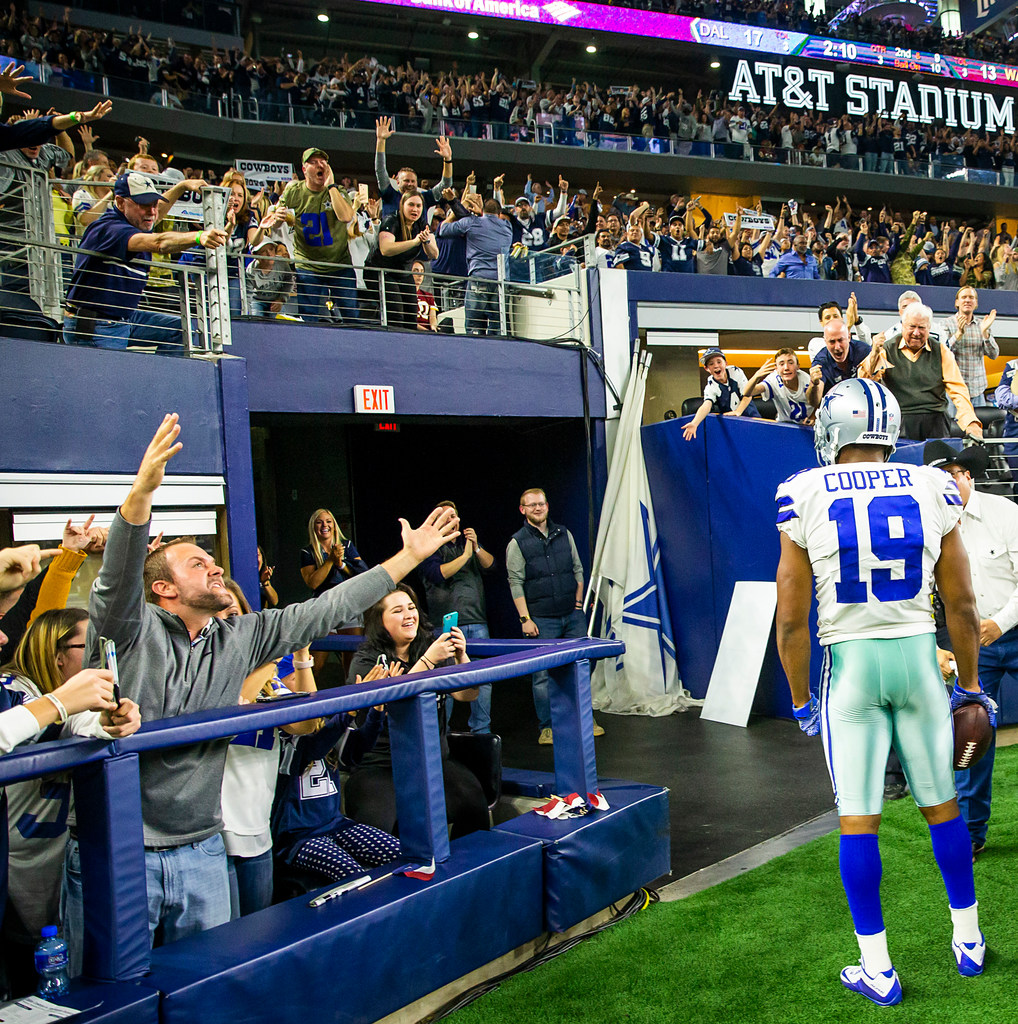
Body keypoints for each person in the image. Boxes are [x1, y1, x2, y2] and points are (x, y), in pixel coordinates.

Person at [62, 414, 461, 953]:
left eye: (213, 561)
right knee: (107, 992)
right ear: (162, 588)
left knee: (210, 986)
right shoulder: (131, 629)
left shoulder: (240, 637)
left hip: (200, 845)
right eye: (197, 563)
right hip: (116, 846)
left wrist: (409, 557)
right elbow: (114, 581)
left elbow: (330, 606)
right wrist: (141, 494)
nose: (215, 569)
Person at [775, 378, 991, 1006]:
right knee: (942, 805)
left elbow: (790, 619)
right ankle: (969, 940)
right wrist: (971, 686)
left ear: (832, 429)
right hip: (921, 659)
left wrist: (798, 700)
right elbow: (963, 600)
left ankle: (879, 968)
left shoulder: (803, 489)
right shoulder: (932, 484)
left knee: (859, 821)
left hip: (851, 665)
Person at [0, 609, 140, 990]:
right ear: (57, 653)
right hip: (17, 858)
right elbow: (26, 722)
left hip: (49, 856)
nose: (96, 664)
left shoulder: (70, 702)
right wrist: (60, 704)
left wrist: (111, 722)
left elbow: (81, 723)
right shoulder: (15, 689)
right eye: (86, 649)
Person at [923, 440, 1018, 860]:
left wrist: (1000, 622)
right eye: (941, 475)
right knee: (971, 736)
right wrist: (934, 647)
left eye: (956, 474)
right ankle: (971, 835)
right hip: (971, 647)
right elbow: (919, 595)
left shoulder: (1006, 513)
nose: (950, 481)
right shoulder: (929, 524)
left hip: (1007, 627)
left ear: (969, 477)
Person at [343, 585, 489, 837]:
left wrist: (461, 657)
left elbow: (467, 694)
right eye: (398, 611)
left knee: (474, 806)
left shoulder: (430, 647)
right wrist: (428, 662)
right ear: (380, 621)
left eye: (411, 608)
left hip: (431, 760)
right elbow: (393, 707)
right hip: (380, 765)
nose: (409, 615)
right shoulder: (367, 660)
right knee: (374, 826)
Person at [217, 582, 317, 918]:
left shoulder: (270, 680)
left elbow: (305, 725)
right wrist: (272, 662)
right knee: (222, 939)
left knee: (257, 928)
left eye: (234, 614)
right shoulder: (206, 674)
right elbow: (235, 706)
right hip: (214, 835)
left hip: (257, 826)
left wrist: (301, 659)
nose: (229, 623)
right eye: (219, 615)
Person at [62, 172, 228, 348]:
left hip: (123, 317)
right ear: (120, 202)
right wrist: (199, 236)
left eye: (154, 204)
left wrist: (182, 187)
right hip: (96, 325)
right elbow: (159, 243)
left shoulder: (134, 221)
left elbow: (154, 216)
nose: (152, 212)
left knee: (181, 329)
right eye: (144, 205)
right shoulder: (109, 229)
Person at [272, 659, 401, 884]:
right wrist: (349, 708)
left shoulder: (326, 721)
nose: (305, 682)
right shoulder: (279, 736)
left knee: (401, 854)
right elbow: (314, 748)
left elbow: (357, 748)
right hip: (298, 838)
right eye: (294, 677)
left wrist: (377, 708)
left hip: (335, 825)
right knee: (356, 877)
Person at [506, 489, 603, 744]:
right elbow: (515, 582)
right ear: (522, 509)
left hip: (571, 616)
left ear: (547, 505)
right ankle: (547, 727)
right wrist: (525, 619)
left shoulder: (564, 533)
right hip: (541, 619)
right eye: (531, 505)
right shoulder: (517, 543)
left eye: (541, 504)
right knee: (542, 676)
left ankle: (584, 719)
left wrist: (579, 603)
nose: (537, 508)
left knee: (580, 668)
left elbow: (578, 569)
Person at [421, 500, 496, 734]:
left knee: (482, 680)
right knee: (447, 682)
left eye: (453, 516)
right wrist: (465, 556)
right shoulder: (429, 548)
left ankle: (482, 731)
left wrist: (475, 548)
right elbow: (437, 574)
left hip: (477, 621)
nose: (451, 520)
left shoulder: (467, 544)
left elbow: (491, 566)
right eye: (445, 517)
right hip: (446, 625)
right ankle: (441, 733)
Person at [863, 302, 983, 442]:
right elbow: (867, 381)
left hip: (936, 421)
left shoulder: (941, 350)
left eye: (921, 327)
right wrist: (873, 354)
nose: (916, 332)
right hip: (900, 420)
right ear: (902, 326)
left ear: (929, 328)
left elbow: (958, 390)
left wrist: (971, 423)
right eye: (912, 326)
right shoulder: (886, 349)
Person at [263, 148, 358, 323]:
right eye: (314, 162)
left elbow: (346, 217)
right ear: (304, 169)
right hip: (308, 264)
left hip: (339, 263)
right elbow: (275, 220)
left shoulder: (338, 191)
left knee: (352, 317)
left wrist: (331, 187)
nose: (320, 165)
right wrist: (278, 218)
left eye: (323, 162)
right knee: (309, 319)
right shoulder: (294, 191)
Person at [439, 197, 512, 336]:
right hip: (501, 283)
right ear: (500, 212)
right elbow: (490, 222)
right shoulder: (507, 226)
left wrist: (454, 214)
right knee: (498, 326)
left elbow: (443, 230)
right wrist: (481, 214)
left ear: (483, 210)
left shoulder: (472, 222)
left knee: (474, 325)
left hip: (479, 279)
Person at [369, 191, 438, 330]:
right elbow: (386, 249)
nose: (415, 209)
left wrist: (426, 241)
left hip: (403, 272)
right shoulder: (391, 220)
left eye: (419, 206)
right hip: (382, 272)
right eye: (411, 205)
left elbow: (434, 254)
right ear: (402, 206)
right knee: (396, 314)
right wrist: (414, 242)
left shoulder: (422, 224)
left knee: (411, 317)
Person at [682, 347, 759, 441]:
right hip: (733, 427)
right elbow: (706, 405)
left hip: (753, 421)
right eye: (711, 364)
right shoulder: (711, 386)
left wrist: (738, 411)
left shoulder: (736, 371)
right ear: (707, 368)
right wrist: (695, 423)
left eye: (719, 362)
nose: (716, 366)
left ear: (725, 363)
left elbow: (748, 395)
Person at [942, 287, 998, 407]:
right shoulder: (946, 323)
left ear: (976, 303)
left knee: (978, 426)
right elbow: (942, 353)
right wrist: (958, 334)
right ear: (957, 302)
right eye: (964, 297)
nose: (967, 300)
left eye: (971, 297)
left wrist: (985, 333)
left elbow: (994, 355)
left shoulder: (982, 324)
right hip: (954, 391)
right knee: (953, 426)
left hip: (977, 391)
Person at [807, 319, 872, 410]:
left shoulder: (864, 352)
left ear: (849, 337)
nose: (837, 347)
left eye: (840, 340)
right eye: (832, 342)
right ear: (825, 341)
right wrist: (813, 384)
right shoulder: (821, 361)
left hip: (864, 408)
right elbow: (814, 402)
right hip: (836, 412)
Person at [735, 349, 812, 424]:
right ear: (776, 368)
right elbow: (748, 393)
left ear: (798, 366)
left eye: (791, 363)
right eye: (781, 364)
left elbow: (818, 402)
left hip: (808, 425)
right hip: (785, 425)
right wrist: (756, 376)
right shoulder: (773, 379)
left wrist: (813, 417)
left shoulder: (807, 380)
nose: (786, 368)